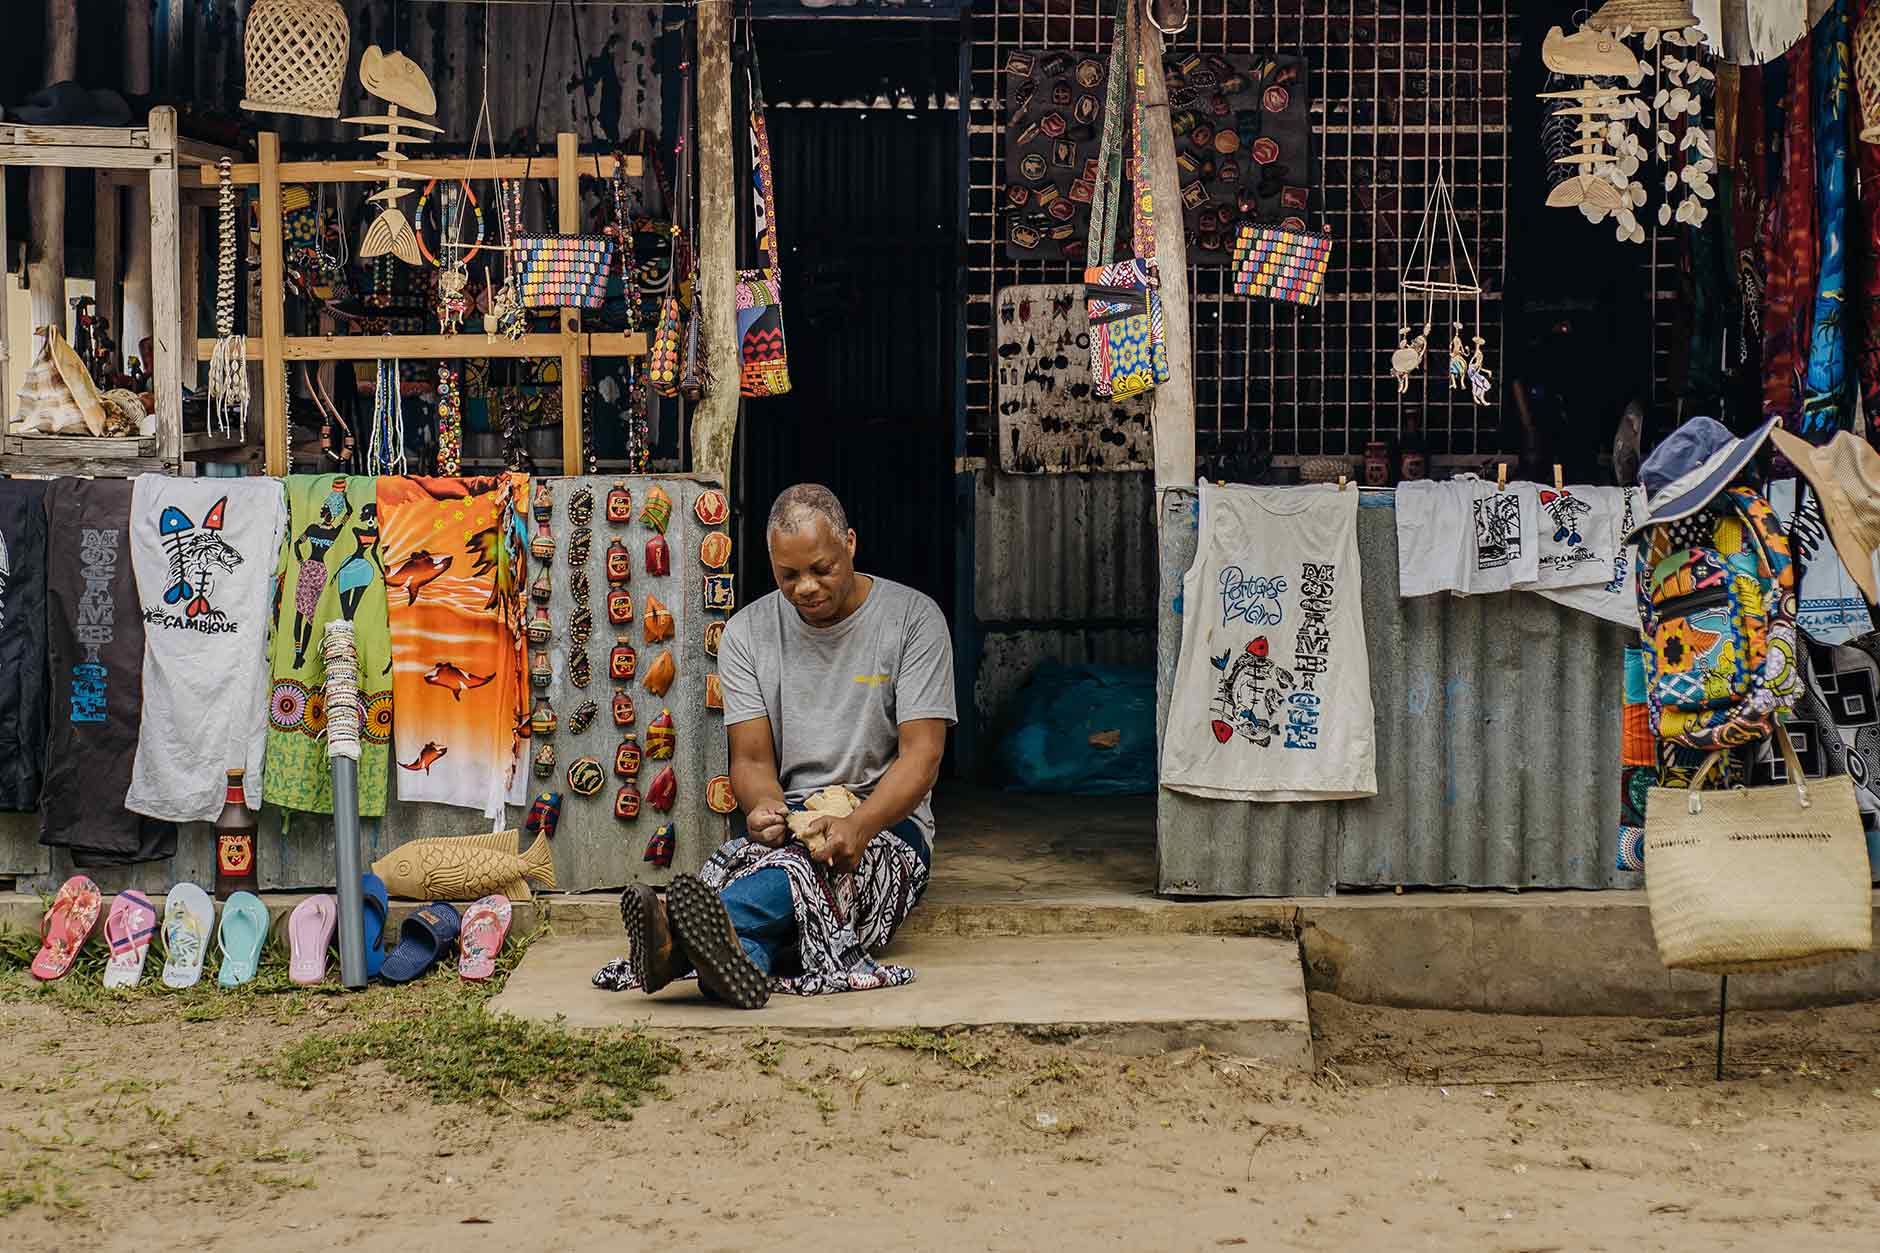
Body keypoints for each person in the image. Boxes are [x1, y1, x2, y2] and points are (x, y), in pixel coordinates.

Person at [615, 483, 955, 1008]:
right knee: (774, 873)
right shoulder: (746, 633)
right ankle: (735, 960)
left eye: (822, 569)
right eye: (788, 575)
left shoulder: (913, 620)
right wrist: (766, 808)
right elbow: (752, 760)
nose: (806, 588)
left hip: (887, 828)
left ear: (850, 544)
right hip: (794, 823)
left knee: (799, 872)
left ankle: (674, 940)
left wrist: (857, 826)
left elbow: (922, 757)